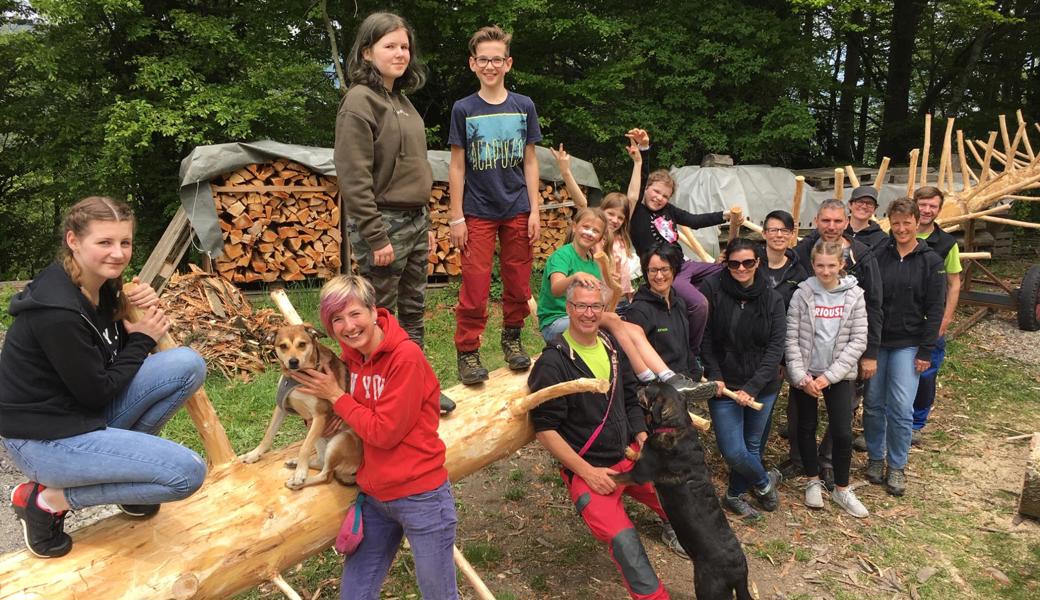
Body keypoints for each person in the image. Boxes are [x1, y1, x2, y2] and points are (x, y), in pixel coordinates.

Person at [0, 196, 207, 559]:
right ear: (73, 241)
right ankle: (45, 500)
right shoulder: (57, 312)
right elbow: (98, 390)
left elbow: (108, 356)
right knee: (185, 473)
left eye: (124, 242)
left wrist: (131, 316)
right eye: (104, 242)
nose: (118, 253)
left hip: (79, 412)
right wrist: (142, 339)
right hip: (44, 439)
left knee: (187, 363)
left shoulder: (100, 284)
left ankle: (126, 484)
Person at [288, 275, 458, 600]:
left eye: (355, 314)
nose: (348, 326)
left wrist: (338, 398)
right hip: (375, 498)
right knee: (354, 595)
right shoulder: (351, 357)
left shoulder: (404, 358)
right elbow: (350, 412)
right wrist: (331, 412)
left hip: (420, 496)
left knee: (440, 596)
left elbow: (384, 433)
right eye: (337, 319)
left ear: (372, 310)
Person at [529, 278, 683, 600]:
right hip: (591, 471)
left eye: (595, 306)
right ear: (568, 308)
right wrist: (587, 473)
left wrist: (641, 435)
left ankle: (683, 533)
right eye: (581, 306)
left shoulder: (611, 346)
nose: (589, 313)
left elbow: (629, 397)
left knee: (677, 495)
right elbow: (544, 429)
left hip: (626, 455)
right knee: (625, 541)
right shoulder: (553, 362)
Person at [333, 13, 453, 414]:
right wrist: (375, 234)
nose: (400, 53)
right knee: (377, 319)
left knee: (414, 311)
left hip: (415, 221)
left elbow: (413, 167)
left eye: (404, 46)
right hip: (382, 222)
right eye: (390, 46)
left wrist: (427, 224)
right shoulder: (359, 102)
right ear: (367, 52)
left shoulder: (401, 101)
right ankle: (378, 399)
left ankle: (415, 389)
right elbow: (353, 177)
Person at [449, 25, 541, 385]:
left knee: (518, 282)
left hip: (517, 206)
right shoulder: (464, 109)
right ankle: (468, 351)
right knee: (475, 284)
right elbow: (457, 166)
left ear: (508, 63)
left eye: (497, 60)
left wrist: (534, 209)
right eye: (483, 59)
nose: (490, 66)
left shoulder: (523, 106)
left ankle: (512, 338)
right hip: (477, 211)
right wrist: (456, 216)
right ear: (473, 64)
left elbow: (530, 161)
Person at [794, 198, 883, 487]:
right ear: (816, 221)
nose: (831, 226)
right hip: (807, 360)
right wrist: (794, 367)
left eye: (837, 221)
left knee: (841, 423)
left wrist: (870, 352)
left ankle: (830, 463)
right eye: (825, 221)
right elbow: (792, 319)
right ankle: (806, 469)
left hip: (842, 357)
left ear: (846, 222)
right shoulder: (802, 252)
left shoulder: (863, 255)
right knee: (801, 423)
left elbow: (874, 305)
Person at [862, 198, 945, 497]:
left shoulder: (930, 260)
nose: (901, 229)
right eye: (895, 223)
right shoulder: (878, 254)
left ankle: (897, 465)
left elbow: (936, 308)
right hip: (877, 342)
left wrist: (926, 349)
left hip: (908, 344)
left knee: (900, 406)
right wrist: (868, 350)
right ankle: (875, 457)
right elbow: (867, 299)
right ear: (889, 223)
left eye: (906, 223)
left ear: (916, 222)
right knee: (872, 403)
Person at [698, 238, 787, 520]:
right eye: (734, 263)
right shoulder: (712, 290)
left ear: (758, 262)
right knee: (733, 450)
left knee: (752, 446)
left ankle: (734, 495)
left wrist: (753, 387)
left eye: (748, 262)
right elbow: (705, 338)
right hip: (725, 387)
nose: (741, 268)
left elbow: (776, 348)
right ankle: (763, 484)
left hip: (763, 386)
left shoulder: (772, 299)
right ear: (726, 264)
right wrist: (715, 375)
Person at [785, 240, 869, 517]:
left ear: (842, 265)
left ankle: (842, 489)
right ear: (813, 265)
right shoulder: (802, 294)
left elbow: (858, 341)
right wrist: (801, 376)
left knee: (842, 433)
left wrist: (829, 377)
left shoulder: (855, 295)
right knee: (806, 427)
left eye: (831, 265)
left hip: (839, 376)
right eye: (820, 265)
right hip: (807, 374)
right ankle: (812, 480)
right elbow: (792, 338)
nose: (825, 270)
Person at [629, 130, 730, 359]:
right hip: (666, 273)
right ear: (646, 189)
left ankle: (717, 340)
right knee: (700, 305)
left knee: (728, 270)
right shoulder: (636, 211)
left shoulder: (668, 211)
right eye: (655, 191)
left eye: (665, 195)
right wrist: (644, 150)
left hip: (686, 265)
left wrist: (724, 215)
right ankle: (692, 354)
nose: (659, 198)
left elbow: (694, 221)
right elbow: (642, 176)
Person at [757, 210, 809, 479]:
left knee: (766, 404)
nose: (778, 235)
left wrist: (782, 359)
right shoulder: (750, 262)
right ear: (764, 233)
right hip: (748, 345)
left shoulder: (800, 272)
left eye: (784, 230)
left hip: (780, 350)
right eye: (773, 229)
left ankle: (756, 455)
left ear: (792, 235)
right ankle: (741, 452)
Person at [912, 186, 962, 445]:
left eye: (933, 206)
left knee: (927, 372)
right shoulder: (895, 234)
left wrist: (946, 318)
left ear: (939, 210)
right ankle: (891, 420)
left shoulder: (946, 243)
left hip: (930, 320)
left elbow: (954, 283)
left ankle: (916, 423)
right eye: (923, 204)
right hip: (900, 318)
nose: (927, 210)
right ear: (914, 204)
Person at [624, 243, 695, 377]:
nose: (659, 276)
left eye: (664, 269)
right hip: (661, 390)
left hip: (686, 384)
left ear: (674, 269)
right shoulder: (638, 311)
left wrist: (695, 375)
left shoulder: (680, 303)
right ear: (646, 272)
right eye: (653, 270)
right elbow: (635, 361)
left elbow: (686, 349)